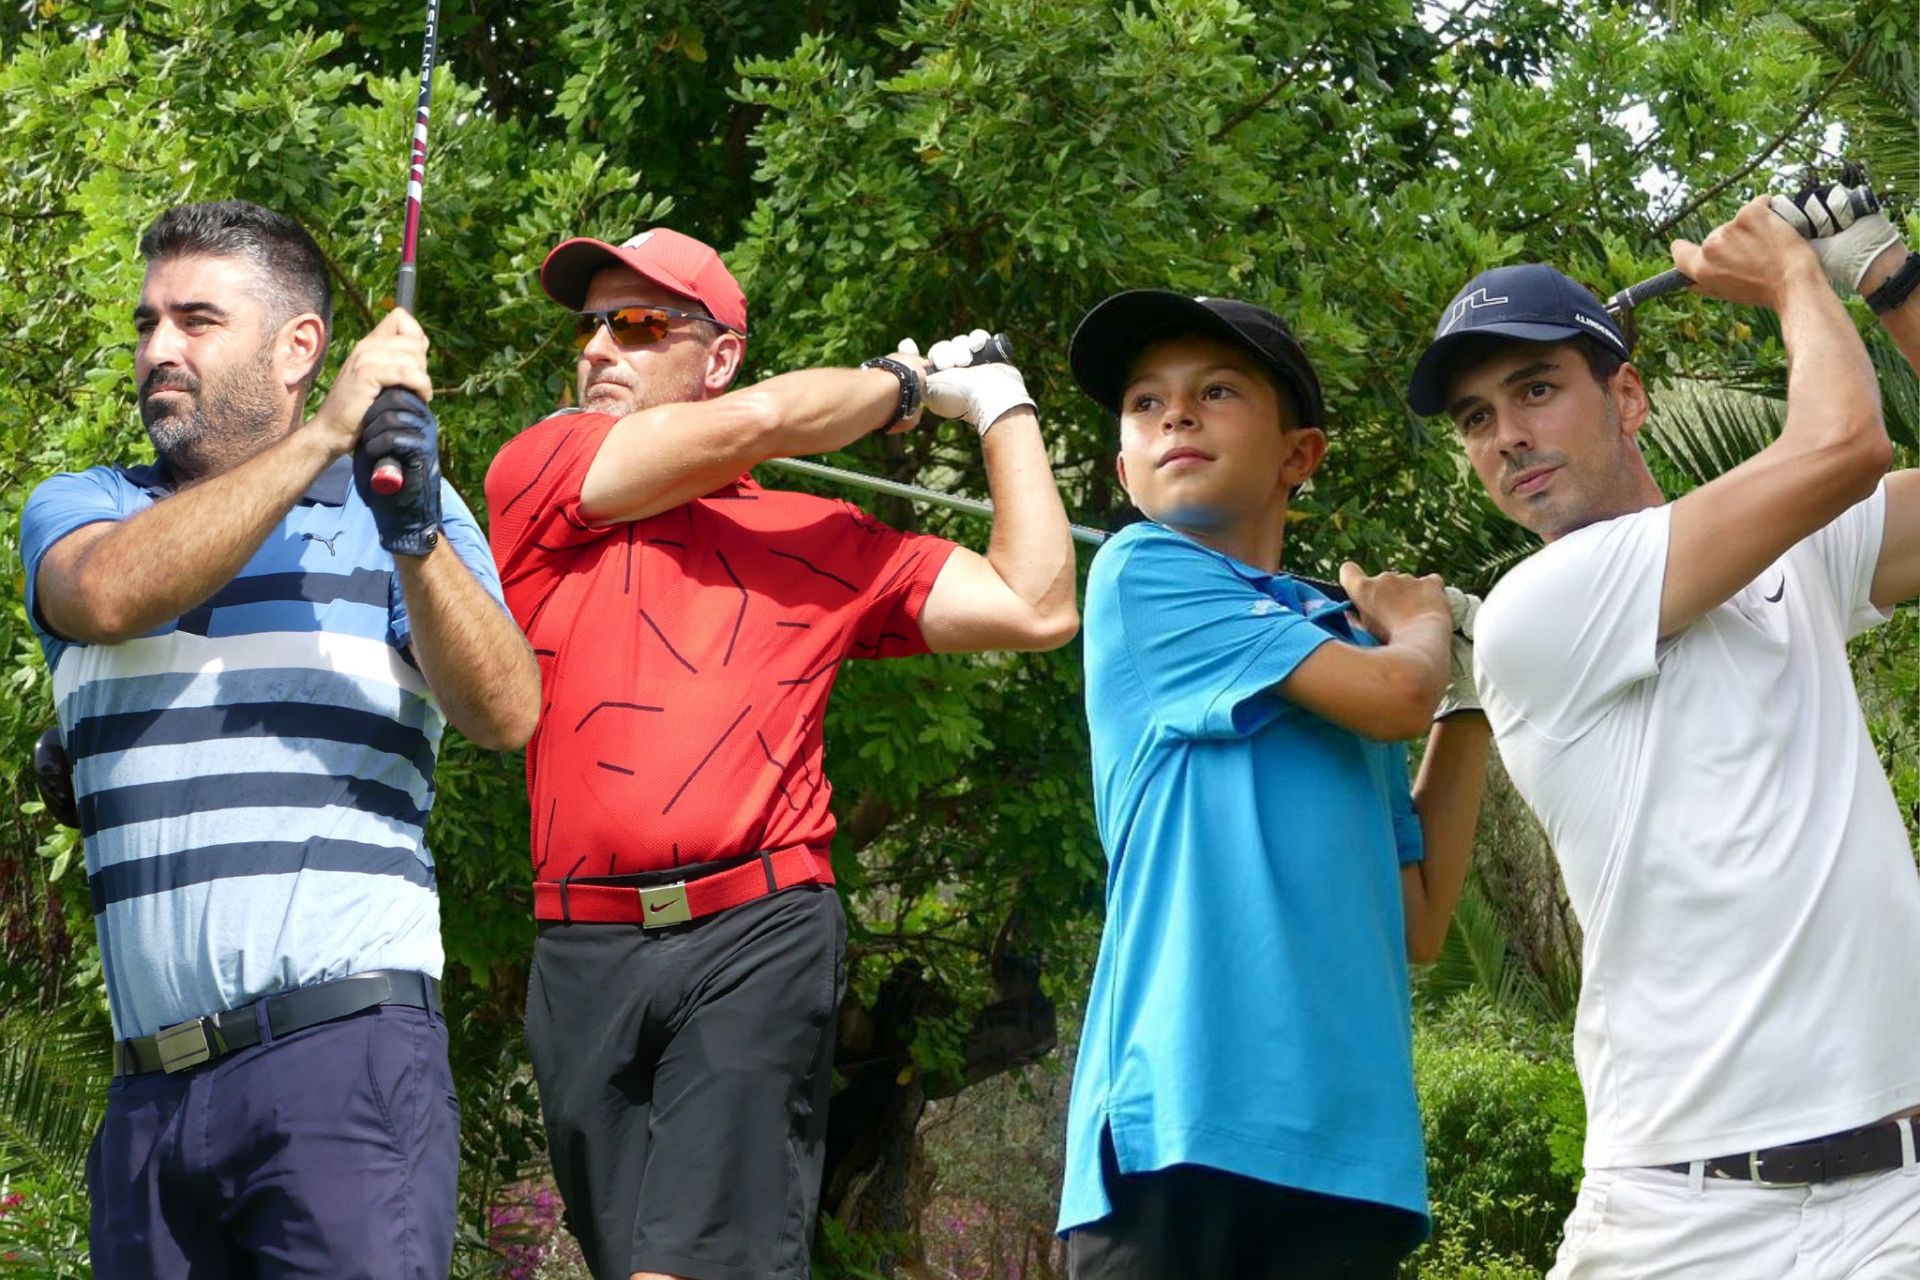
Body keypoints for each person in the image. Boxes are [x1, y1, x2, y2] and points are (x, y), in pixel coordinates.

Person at [483, 225, 1078, 1280]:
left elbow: (1035, 603)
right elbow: (758, 420)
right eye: (589, 324)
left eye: (636, 323)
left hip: (755, 931)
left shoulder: (817, 531)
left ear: (716, 355)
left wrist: (1002, 409)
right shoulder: (541, 475)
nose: (598, 349)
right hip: (580, 955)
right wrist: (900, 385)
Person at [17, 199, 541, 1279]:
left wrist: (414, 535)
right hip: (148, 1098)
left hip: (340, 1063)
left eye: (198, 319)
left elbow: (507, 711)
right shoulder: (86, 506)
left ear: (299, 345)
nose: (160, 347)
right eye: (147, 321)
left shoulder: (401, 517)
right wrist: (324, 438)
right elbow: (111, 594)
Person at [1404, 191, 1920, 1277]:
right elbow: (1846, 442)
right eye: (1475, 418)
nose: (1507, 438)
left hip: (1895, 1203)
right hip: (1679, 1221)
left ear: (1627, 394)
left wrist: (1888, 277)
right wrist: (1792, 276)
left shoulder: (1797, 557)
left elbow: (1837, 463)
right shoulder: (1539, 608)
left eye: (1536, 389)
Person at [1054, 290, 1492, 1279]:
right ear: (1125, 467)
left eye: (1215, 390)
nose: (1176, 414)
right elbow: (1393, 698)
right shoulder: (1143, 572)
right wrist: (1424, 630)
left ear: (1300, 454)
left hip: (1348, 1152)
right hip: (1175, 1128)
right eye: (1146, 402)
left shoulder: (1338, 643)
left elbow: (1417, 916)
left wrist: (1466, 693)